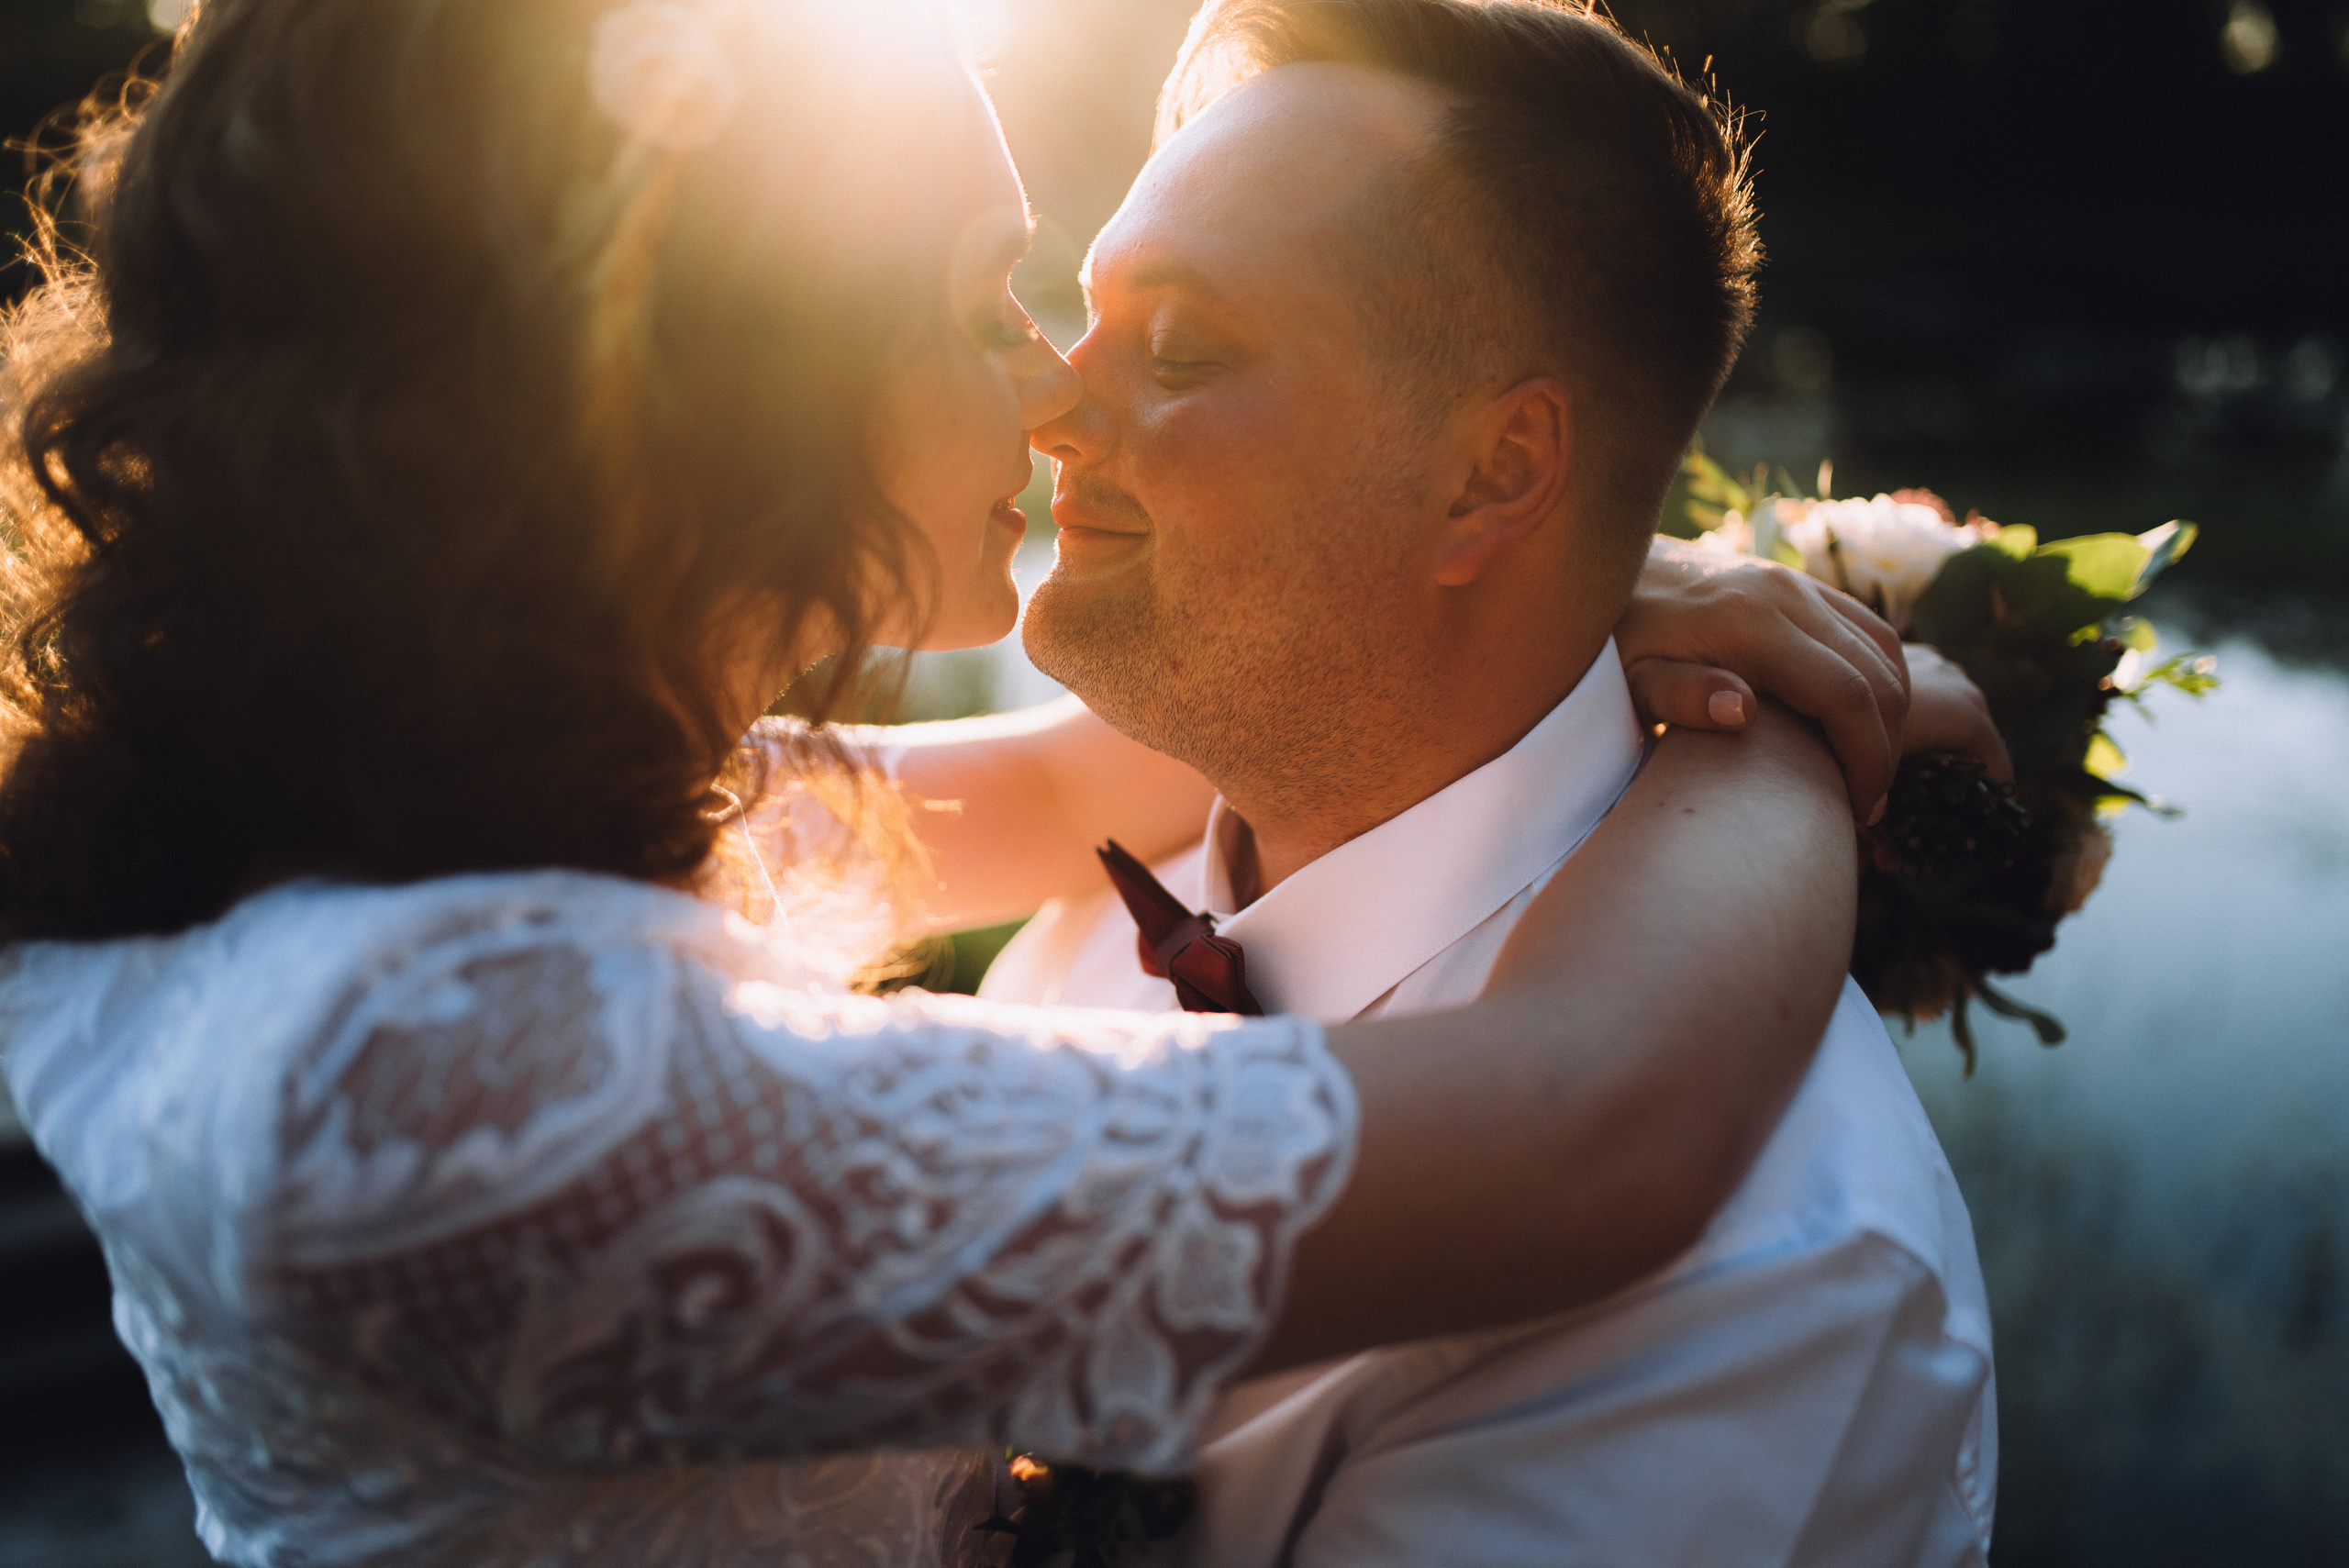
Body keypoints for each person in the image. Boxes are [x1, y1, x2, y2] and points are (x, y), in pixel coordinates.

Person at [0, 1, 1906, 1565]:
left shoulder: (376, 816)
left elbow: (1094, 759)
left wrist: (1584, 580)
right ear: (720, 372)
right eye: (984, 296)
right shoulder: (443, 1080)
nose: (1043, 384)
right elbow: (1584, 1128)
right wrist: (1791, 756)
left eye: (1157, 336)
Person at [980, 2, 1998, 1564]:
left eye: (1178, 349)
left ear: (1496, 473)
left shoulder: (1754, 1270)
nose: (1051, 404)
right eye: (1083, 314)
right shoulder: (1072, 924)